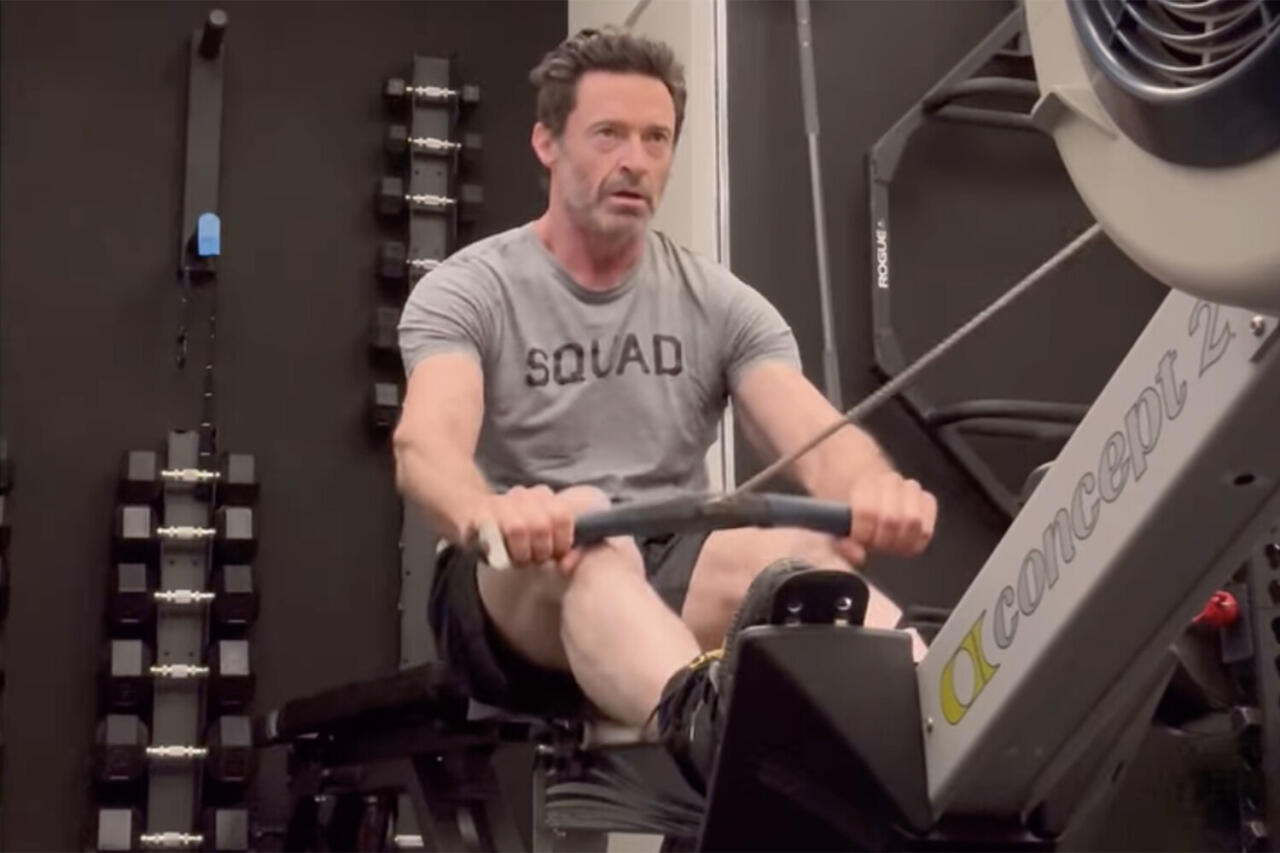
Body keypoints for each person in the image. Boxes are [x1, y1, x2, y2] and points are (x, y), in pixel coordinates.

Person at [394, 26, 938, 794]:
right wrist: (490, 512)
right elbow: (427, 445)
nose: (637, 160)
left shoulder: (720, 304)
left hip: (666, 562)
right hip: (510, 585)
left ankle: (942, 723)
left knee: (799, 558)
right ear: (547, 143)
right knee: (584, 522)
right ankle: (713, 734)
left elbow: (814, 435)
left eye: (656, 138)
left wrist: (870, 487)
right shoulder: (470, 289)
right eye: (608, 134)